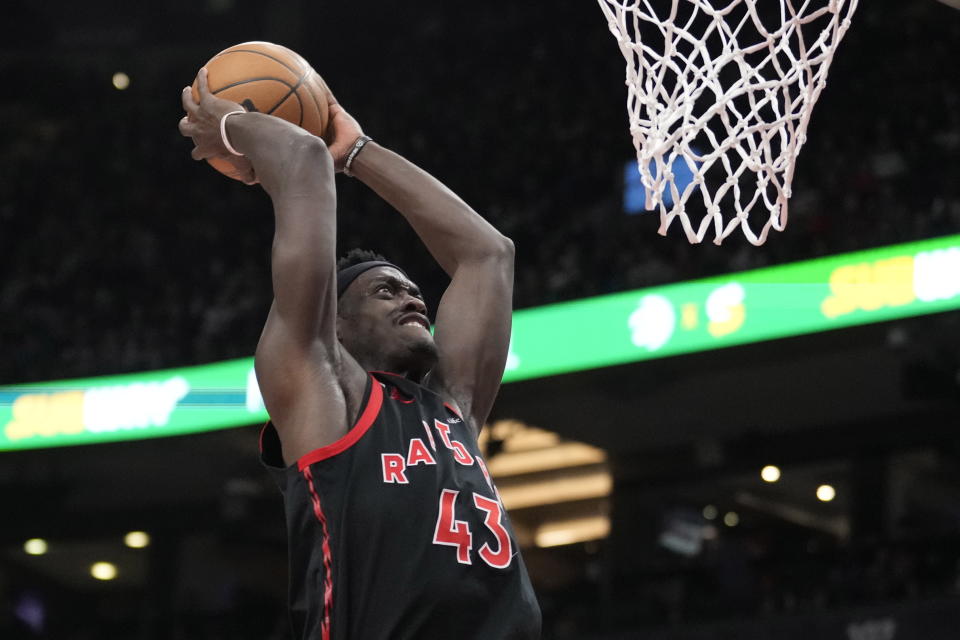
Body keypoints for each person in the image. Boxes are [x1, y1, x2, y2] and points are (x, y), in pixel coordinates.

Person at [179, 68, 541, 640]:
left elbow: (487, 253)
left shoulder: (452, 411)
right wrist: (231, 125)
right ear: (335, 325)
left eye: (410, 287)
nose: (413, 295)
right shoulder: (323, 393)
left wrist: (360, 152)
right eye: (384, 289)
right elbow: (301, 158)